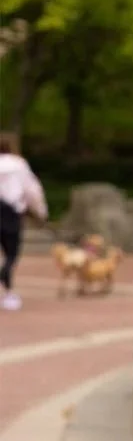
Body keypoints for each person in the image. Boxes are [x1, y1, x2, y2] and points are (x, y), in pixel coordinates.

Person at [0, 133, 48, 311]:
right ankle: (8, 290)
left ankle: (8, 288)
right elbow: (32, 190)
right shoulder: (19, 165)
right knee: (11, 253)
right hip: (11, 213)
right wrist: (41, 213)